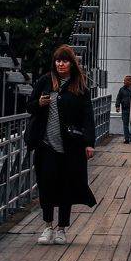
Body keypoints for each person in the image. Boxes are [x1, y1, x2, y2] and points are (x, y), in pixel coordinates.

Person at [25, 44, 96, 244]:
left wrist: (89, 143)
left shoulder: (79, 86)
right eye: (58, 60)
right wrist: (39, 104)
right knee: (46, 185)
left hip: (71, 146)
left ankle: (62, 229)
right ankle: (48, 226)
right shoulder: (45, 81)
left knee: (66, 187)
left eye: (64, 60)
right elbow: (29, 106)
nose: (61, 64)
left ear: (71, 63)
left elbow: (87, 116)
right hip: (45, 144)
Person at [114, 75, 131, 144]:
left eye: (125, 80)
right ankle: (127, 138)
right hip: (125, 109)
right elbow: (118, 98)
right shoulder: (122, 89)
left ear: (130, 81)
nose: (124, 82)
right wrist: (117, 106)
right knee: (125, 124)